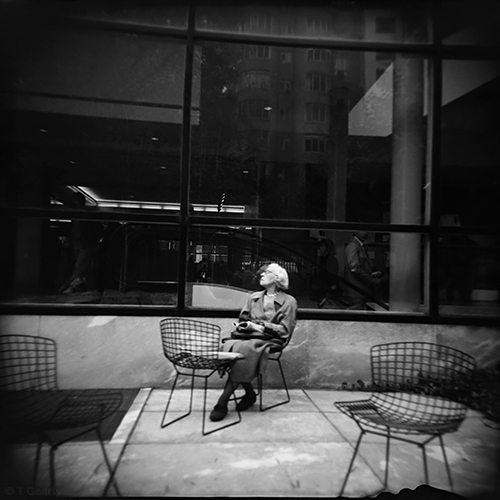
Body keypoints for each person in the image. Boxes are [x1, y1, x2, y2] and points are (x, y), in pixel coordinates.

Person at [209, 263, 298, 422]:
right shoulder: (254, 297)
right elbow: (243, 318)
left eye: (267, 272)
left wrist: (261, 326)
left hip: (271, 339)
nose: (261, 275)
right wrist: (246, 325)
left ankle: (222, 402)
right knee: (229, 346)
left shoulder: (289, 302)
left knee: (242, 352)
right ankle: (250, 394)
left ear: (277, 278)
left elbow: (285, 330)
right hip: (249, 337)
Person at [60, 192, 103, 294]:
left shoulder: (86, 215)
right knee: (84, 267)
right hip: (78, 242)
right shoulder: (76, 214)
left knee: (80, 266)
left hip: (86, 243)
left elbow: (97, 229)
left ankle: (70, 285)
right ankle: (92, 287)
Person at [344, 231, 382, 310]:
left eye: (366, 231)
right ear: (355, 231)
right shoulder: (353, 246)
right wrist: (371, 280)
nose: (365, 233)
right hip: (356, 291)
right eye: (362, 230)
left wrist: (372, 274)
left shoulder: (360, 246)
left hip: (361, 290)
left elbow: (361, 267)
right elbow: (354, 268)